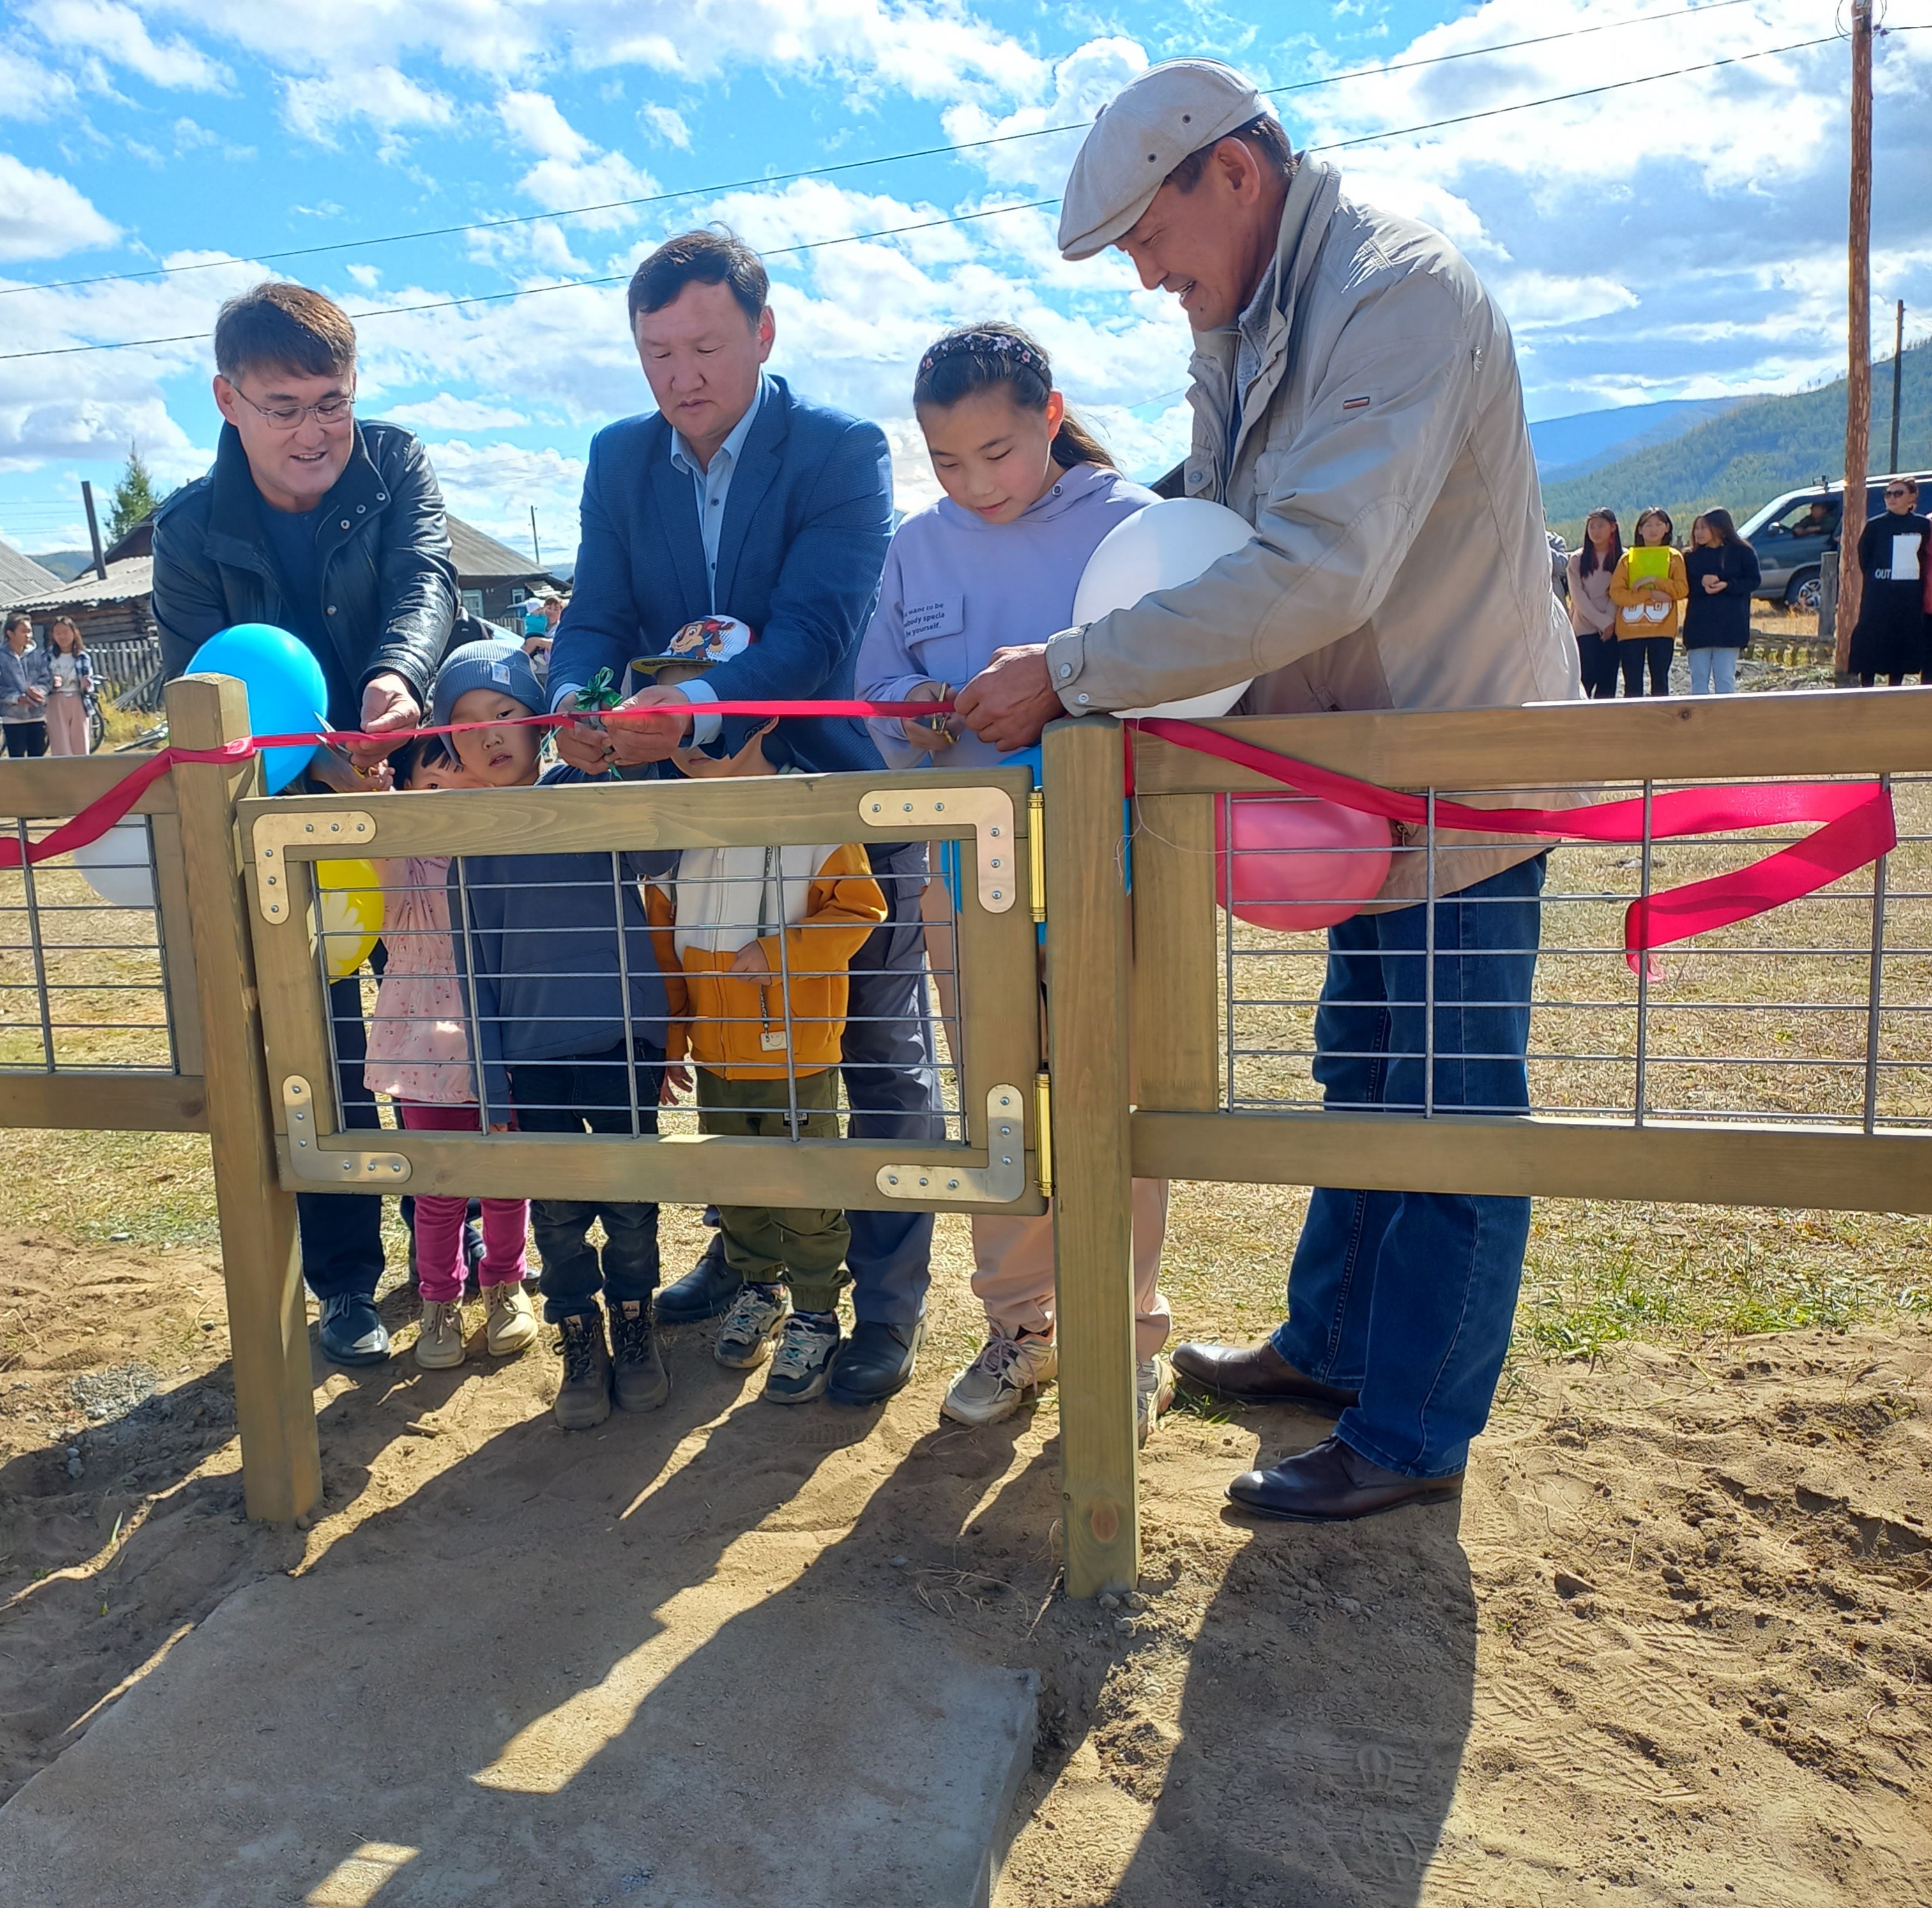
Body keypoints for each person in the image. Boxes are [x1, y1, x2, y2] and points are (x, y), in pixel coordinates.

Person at [951, 59, 1578, 1524]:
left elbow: (1316, 561)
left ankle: (1415, 1428)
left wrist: (1076, 663)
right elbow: (1213, 513)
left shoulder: (1394, 295)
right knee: (1364, 1064)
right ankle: (1337, 1342)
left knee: (1448, 1100)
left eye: (1153, 244)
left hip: (1459, 769)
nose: (1150, 277)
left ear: (1233, 174)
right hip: (1359, 771)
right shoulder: (1251, 314)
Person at [545, 225, 939, 1408]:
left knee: (870, 1053)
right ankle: (745, 1252)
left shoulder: (841, 449)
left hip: (828, 790)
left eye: (706, 344)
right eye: (657, 350)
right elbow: (595, 613)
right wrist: (577, 700)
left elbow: (817, 633)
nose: (681, 374)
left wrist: (696, 709)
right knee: (722, 1041)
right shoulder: (619, 459)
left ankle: (884, 1307)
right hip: (684, 812)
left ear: (764, 335)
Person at [855, 321, 1175, 1440]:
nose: (973, 483)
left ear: (1049, 417)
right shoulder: (914, 547)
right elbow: (877, 689)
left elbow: (1187, 694)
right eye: (947, 461)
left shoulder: (1134, 527)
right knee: (1001, 1101)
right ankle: (1024, 1323)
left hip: (1111, 873)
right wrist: (909, 709)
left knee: (1110, 1099)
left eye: (996, 452)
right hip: (965, 879)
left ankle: (1128, 1334)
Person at [151, 280, 461, 1368]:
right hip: (287, 829)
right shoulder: (187, 530)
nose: (314, 429)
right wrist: (323, 758)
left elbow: (428, 577)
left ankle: (457, 1236)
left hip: (409, 786)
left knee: (437, 1025)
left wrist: (395, 673)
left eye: (330, 399)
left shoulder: (397, 462)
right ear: (228, 400)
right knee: (314, 1048)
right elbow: (214, 683)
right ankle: (343, 1280)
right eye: (282, 405)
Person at [644, 625, 888, 1403]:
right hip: (716, 1053)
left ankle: (817, 1311)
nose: (687, 734)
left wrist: (780, 951)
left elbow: (861, 907)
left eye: (703, 710)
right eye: (673, 714)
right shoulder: (670, 830)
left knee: (806, 1184)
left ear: (768, 716)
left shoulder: (816, 815)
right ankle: (758, 1287)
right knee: (736, 1180)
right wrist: (671, 1040)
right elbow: (663, 943)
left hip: (795, 1050)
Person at [436, 638, 673, 1431]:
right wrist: (492, 1077)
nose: (488, 733)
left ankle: (636, 1327)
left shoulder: (586, 786)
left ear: (540, 720)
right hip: (532, 1057)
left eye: (505, 713)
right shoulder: (467, 843)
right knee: (561, 1211)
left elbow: (658, 849)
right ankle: (580, 1335)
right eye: (465, 722)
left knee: (631, 1199)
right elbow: (474, 965)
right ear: (446, 740)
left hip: (620, 1042)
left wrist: (616, 767)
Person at [363, 732, 538, 1371]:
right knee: (437, 1185)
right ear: (406, 792)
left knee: (503, 1175)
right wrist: (385, 817)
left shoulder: (500, 853)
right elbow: (386, 894)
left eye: (461, 783)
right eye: (431, 786)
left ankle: (505, 1286)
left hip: (499, 1041)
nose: (448, 798)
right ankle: (440, 1298)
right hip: (423, 1044)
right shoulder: (405, 865)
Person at [1847, 480, 1929, 687]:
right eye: (1888, 494)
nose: (1892, 498)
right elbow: (1864, 557)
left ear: (1912, 497)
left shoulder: (1922, 526)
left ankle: (1896, 688)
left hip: (1909, 597)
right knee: (1871, 638)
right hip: (1879, 595)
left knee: (1901, 641)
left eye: (1898, 493)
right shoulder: (1875, 526)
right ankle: (1866, 686)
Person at [1607, 507, 1686, 697]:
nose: (1653, 529)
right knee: (1632, 684)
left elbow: (1681, 590)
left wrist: (1654, 581)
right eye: (1648, 525)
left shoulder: (1674, 558)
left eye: (1659, 524)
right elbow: (1617, 593)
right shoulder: (1628, 559)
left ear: (1667, 528)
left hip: (1662, 629)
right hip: (1630, 630)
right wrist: (1649, 595)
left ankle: (1660, 725)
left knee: (1660, 682)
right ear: (1640, 529)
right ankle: (1633, 724)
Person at [1681, 509, 1760, 695]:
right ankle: (1700, 721)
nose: (1698, 533)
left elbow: (1753, 581)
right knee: (1698, 678)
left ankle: (1725, 720)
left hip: (1730, 627)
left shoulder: (1743, 552)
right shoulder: (1690, 557)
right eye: (1696, 528)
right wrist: (1701, 583)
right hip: (1698, 627)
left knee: (1725, 677)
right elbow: (1683, 587)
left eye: (1704, 528)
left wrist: (1727, 585)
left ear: (1721, 528)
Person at [1565, 509, 1622, 699]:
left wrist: (1610, 621)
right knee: (1585, 679)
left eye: (1601, 526)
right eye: (1592, 526)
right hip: (1584, 626)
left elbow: (1618, 592)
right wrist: (1602, 622)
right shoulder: (1578, 559)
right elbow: (1578, 597)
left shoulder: (1622, 558)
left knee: (1608, 682)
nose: (1595, 531)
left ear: (1613, 528)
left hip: (1614, 627)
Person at [1, 612, 51, 757]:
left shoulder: (38, 654)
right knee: (17, 761)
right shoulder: (2, 656)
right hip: (12, 717)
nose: (28, 635)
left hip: (37, 715)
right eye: (24, 631)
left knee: (37, 760)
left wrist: (39, 692)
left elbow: (46, 679)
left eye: (30, 631)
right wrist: (16, 698)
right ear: (10, 633)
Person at [43, 618, 93, 755]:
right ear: (53, 636)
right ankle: (63, 775)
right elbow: (41, 681)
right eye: (57, 633)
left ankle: (81, 774)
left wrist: (87, 685)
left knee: (81, 742)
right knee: (60, 744)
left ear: (74, 633)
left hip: (78, 700)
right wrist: (51, 682)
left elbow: (89, 683)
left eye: (66, 632)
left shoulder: (83, 657)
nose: (62, 636)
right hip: (56, 700)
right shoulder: (48, 656)